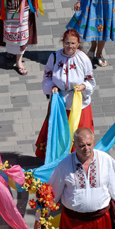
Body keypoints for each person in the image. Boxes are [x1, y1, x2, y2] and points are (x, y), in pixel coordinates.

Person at [35, 29, 96, 159]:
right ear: (62, 43)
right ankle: (57, 158)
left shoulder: (83, 59)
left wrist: (84, 86)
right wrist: (52, 86)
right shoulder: (54, 57)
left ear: (78, 43)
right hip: (60, 103)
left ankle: (79, 157)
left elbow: (91, 80)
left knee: (79, 133)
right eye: (67, 43)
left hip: (79, 105)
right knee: (58, 131)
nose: (70, 46)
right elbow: (47, 76)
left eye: (73, 43)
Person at [66, 0, 115, 67]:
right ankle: (93, 47)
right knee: (92, 24)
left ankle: (99, 53)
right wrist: (79, 0)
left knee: (105, 25)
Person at [0, 0, 39, 75]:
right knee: (9, 30)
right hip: (7, 5)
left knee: (21, 33)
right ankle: (10, 49)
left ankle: (19, 61)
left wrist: (35, 0)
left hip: (24, 5)